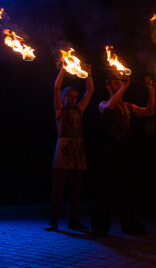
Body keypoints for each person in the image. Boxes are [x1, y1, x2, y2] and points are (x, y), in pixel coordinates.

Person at [91, 74, 155, 237]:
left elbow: (149, 111)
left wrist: (151, 91)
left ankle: (130, 225)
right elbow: (110, 108)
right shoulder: (103, 103)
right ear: (108, 87)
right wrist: (124, 87)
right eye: (116, 83)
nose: (120, 85)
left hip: (126, 148)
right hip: (111, 147)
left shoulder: (128, 105)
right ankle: (100, 226)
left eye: (121, 83)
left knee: (127, 188)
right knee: (106, 187)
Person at [46, 65, 94, 231]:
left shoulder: (79, 110)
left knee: (76, 189)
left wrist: (89, 74)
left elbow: (89, 93)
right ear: (64, 97)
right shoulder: (59, 109)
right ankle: (54, 220)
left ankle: (73, 220)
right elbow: (56, 87)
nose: (73, 99)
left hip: (78, 151)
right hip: (63, 150)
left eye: (75, 97)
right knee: (58, 188)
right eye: (69, 96)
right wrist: (64, 69)